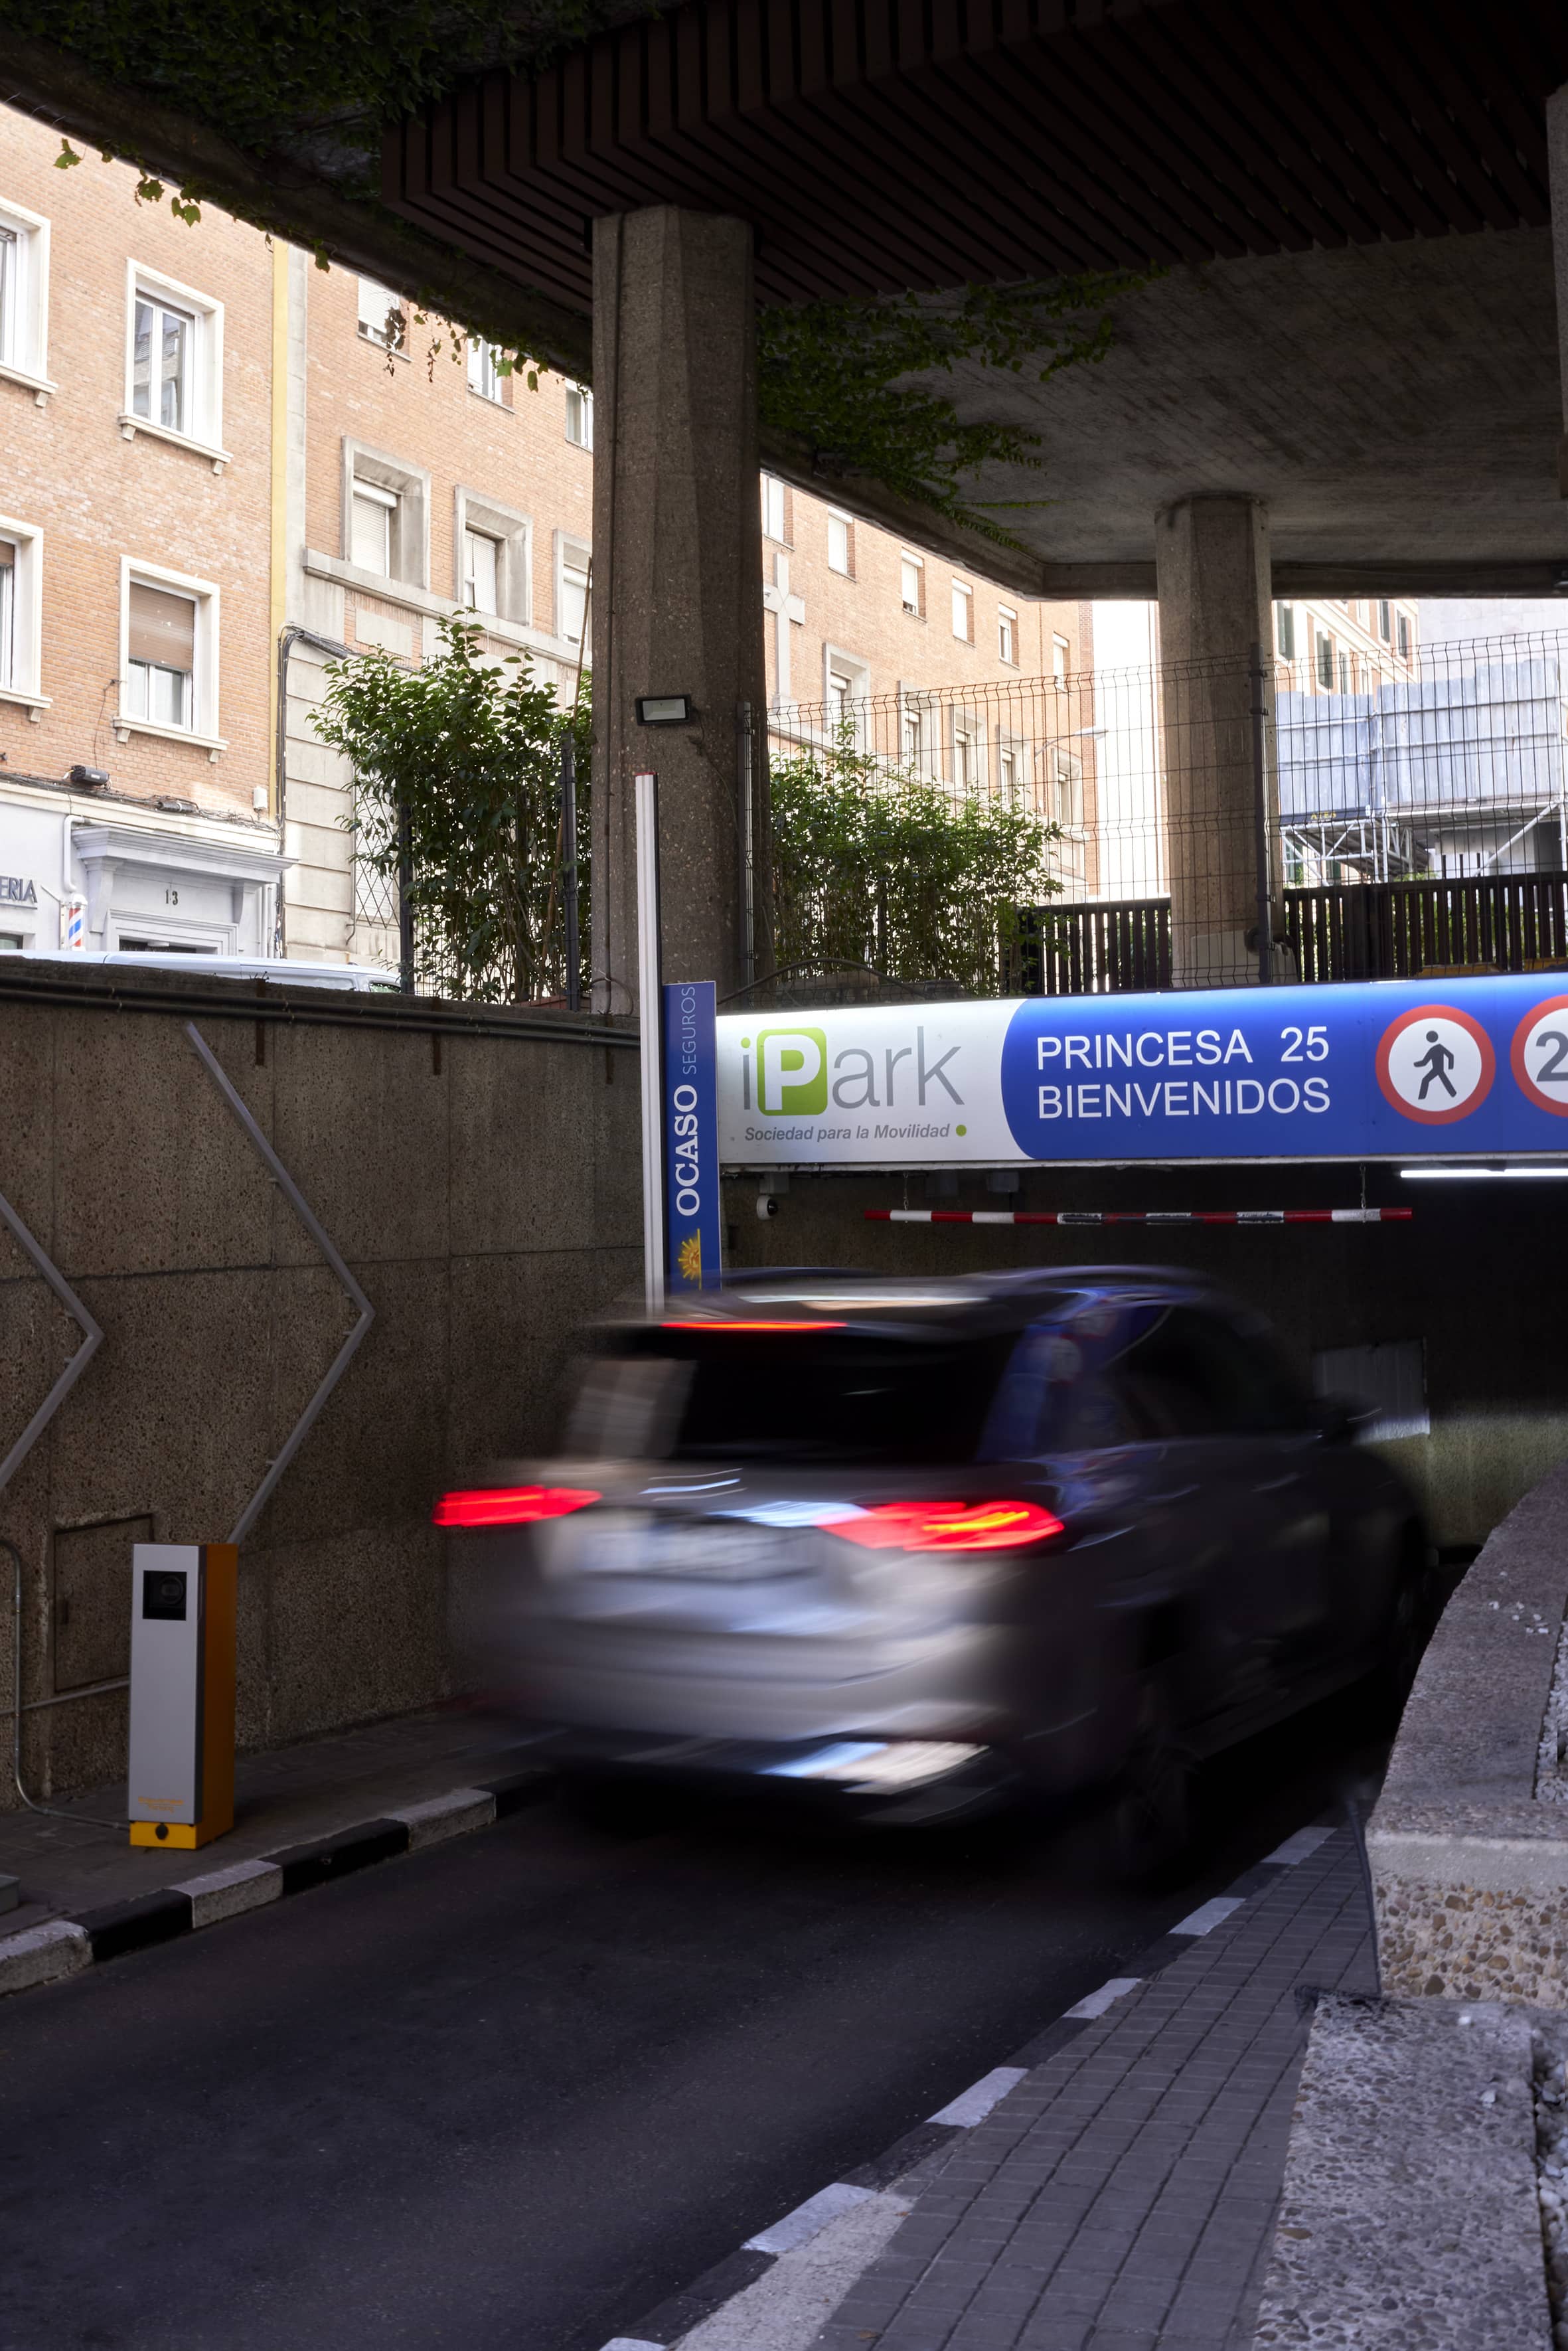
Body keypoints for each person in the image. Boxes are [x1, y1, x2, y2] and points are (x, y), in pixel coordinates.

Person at [1414, 1028, 1456, 1101]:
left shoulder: (1436, 1048)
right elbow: (1425, 1062)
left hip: (1437, 1069)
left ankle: (1421, 1098)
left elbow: (1451, 1056)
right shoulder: (1436, 1048)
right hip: (1437, 1069)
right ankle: (1453, 1094)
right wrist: (1415, 1064)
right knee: (1443, 1080)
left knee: (1425, 1080)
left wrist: (1451, 1068)